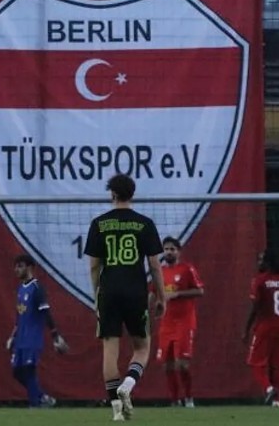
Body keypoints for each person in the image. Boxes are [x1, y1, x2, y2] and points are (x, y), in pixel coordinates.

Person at [83, 174, 166, 422]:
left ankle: (117, 410)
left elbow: (94, 266)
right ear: (132, 194)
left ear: (112, 194)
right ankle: (128, 385)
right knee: (142, 347)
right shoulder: (144, 223)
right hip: (135, 291)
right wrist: (161, 295)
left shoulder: (99, 223)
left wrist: (97, 293)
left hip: (108, 291)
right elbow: (154, 265)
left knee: (110, 349)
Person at [7, 254, 69, 409]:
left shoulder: (36, 288)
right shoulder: (21, 289)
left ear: (29, 267)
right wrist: (12, 336)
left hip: (32, 338)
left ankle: (35, 404)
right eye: (16, 266)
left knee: (29, 370)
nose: (16, 269)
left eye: (20, 266)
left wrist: (55, 336)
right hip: (20, 338)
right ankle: (42, 397)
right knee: (16, 372)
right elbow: (19, 316)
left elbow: (46, 312)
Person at [150, 236, 205, 407]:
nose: (168, 252)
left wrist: (177, 295)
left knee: (182, 364)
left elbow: (200, 291)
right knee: (167, 365)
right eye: (166, 249)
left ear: (178, 252)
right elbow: (153, 292)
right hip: (166, 323)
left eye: (172, 249)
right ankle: (175, 400)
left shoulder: (187, 269)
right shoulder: (159, 271)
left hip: (184, 321)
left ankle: (188, 398)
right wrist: (151, 305)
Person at [242, 249, 279, 407]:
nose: (260, 263)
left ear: (268, 262)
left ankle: (268, 388)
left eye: (262, 260)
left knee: (255, 363)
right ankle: (277, 401)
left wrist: (246, 329)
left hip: (264, 327)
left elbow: (255, 307)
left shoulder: (260, 281)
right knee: (278, 365)